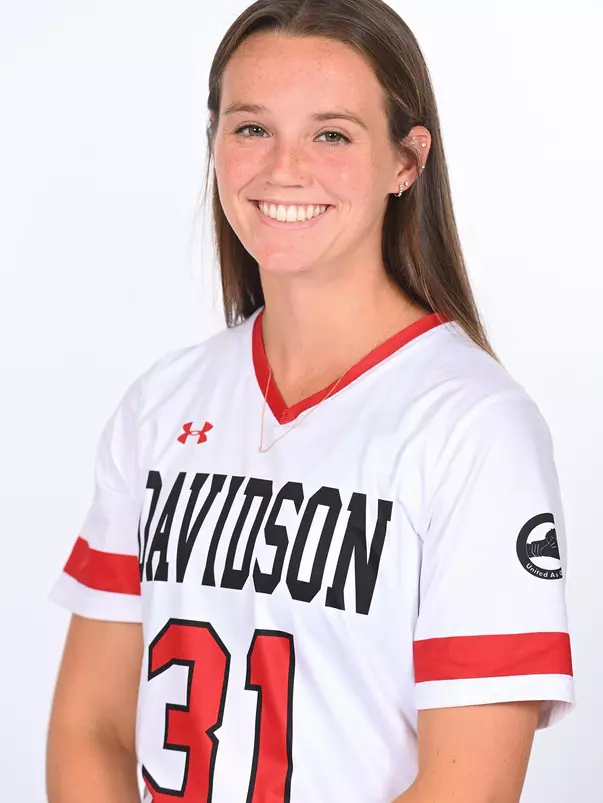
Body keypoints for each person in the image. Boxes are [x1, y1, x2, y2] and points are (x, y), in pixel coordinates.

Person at [46, 1, 575, 801]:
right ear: (214, 142)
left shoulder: (472, 427)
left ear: (406, 161)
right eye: (251, 127)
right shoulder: (162, 404)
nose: (283, 168)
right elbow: (94, 726)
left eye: (331, 133)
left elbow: (469, 786)